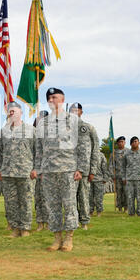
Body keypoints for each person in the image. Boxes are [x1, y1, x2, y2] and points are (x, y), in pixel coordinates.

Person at [35, 88, 88, 252]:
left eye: (55, 97)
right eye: (49, 98)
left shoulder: (73, 120)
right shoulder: (42, 122)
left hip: (68, 169)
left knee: (69, 204)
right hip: (49, 171)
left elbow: (83, 146)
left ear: (63, 99)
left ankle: (68, 239)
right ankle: (56, 238)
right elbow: (38, 148)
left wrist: (81, 168)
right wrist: (39, 169)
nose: (52, 100)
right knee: (53, 206)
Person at [0, 101, 35, 237]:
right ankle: (15, 228)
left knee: (25, 201)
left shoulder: (31, 130)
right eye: (9, 111)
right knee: (10, 202)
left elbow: (38, 151)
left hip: (25, 172)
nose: (11, 113)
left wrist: (36, 168)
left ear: (21, 113)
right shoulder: (3, 132)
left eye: (14, 111)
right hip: (7, 172)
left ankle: (25, 228)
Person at [69, 102, 99, 230]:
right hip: (69, 169)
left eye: (77, 110)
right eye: (72, 111)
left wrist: (93, 170)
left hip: (85, 170)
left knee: (83, 197)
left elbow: (95, 149)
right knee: (70, 198)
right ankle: (73, 222)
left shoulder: (88, 128)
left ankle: (85, 222)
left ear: (81, 112)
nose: (74, 113)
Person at [123, 136, 140, 216]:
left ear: (139, 143)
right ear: (131, 144)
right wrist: (124, 178)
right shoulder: (126, 154)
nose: (135, 143)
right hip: (129, 179)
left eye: (136, 141)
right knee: (130, 197)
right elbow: (123, 167)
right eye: (133, 142)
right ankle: (131, 213)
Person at [33, 110, 49, 231]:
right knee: (38, 197)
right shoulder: (32, 134)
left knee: (48, 198)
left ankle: (49, 222)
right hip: (35, 170)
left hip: (48, 170)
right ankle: (40, 222)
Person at [109, 136, 130, 212]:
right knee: (119, 192)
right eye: (119, 142)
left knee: (126, 192)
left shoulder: (128, 152)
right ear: (117, 143)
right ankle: (120, 207)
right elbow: (111, 165)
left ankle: (126, 208)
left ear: (125, 142)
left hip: (126, 176)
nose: (121, 143)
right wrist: (112, 175)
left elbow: (131, 164)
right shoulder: (114, 153)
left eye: (122, 142)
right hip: (117, 176)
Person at [90, 151, 109, 217]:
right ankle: (90, 211)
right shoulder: (87, 153)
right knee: (89, 197)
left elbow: (104, 167)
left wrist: (105, 178)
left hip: (99, 179)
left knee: (99, 197)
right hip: (88, 179)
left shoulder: (101, 155)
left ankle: (99, 212)